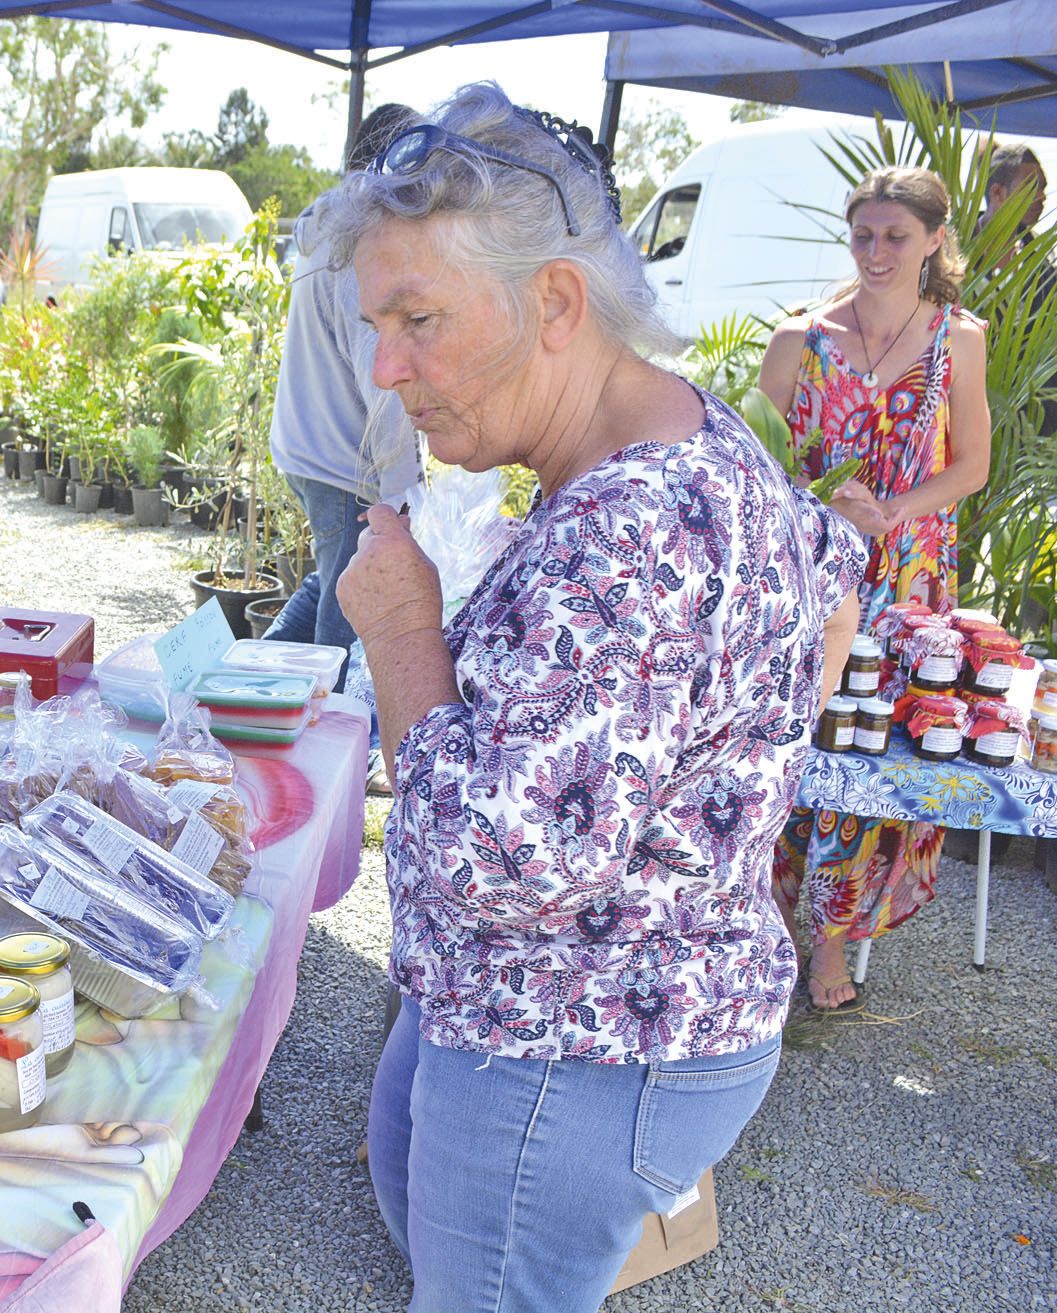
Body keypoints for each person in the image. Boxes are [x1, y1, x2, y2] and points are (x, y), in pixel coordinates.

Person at [321, 82, 867, 1310]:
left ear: (554, 300)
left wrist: (405, 627)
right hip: (581, 1016)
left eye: (418, 319)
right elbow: (839, 565)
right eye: (375, 321)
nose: (385, 365)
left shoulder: (621, 534)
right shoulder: (688, 435)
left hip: (571, 1050)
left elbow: (494, 857)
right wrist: (729, 772)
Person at [760, 165, 992, 1010]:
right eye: (862, 234)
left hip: (909, 580)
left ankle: (831, 943)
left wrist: (890, 508)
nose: (875, 251)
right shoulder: (800, 340)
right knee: (797, 747)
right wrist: (820, 499)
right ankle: (771, 921)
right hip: (813, 572)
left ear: (933, 240)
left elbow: (971, 465)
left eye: (895, 235)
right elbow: (753, 460)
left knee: (873, 761)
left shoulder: (956, 341)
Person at [264, 102, 421, 661]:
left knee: (333, 574)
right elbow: (382, 377)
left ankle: (240, 675)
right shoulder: (361, 247)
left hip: (307, 446)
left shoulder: (326, 227)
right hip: (339, 461)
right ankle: (326, 727)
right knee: (349, 611)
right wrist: (403, 493)